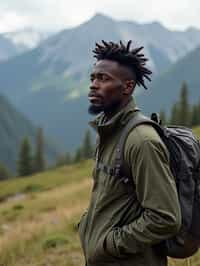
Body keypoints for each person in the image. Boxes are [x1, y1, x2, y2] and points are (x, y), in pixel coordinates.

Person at [78, 40, 181, 266]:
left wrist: (108, 245)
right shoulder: (110, 131)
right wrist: (87, 226)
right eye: (93, 78)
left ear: (127, 87)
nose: (93, 85)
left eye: (103, 78)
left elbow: (165, 217)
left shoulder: (141, 141)